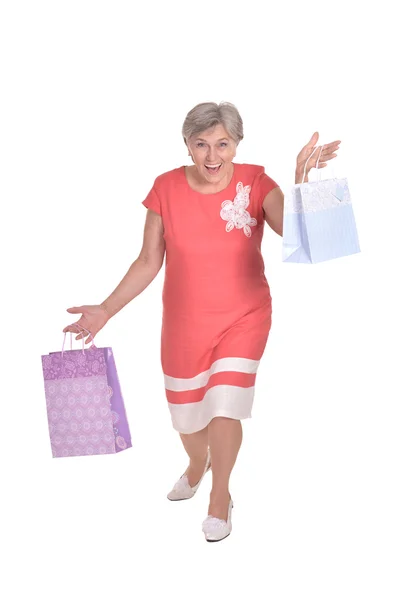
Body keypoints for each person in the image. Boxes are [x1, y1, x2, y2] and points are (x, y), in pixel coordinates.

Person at [63, 102, 340, 542]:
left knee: (226, 405)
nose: (213, 156)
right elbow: (148, 260)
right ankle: (197, 463)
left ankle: (220, 495)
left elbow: (301, 234)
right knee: (188, 420)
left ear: (236, 145)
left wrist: (301, 177)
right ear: (188, 146)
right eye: (202, 145)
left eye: (223, 144)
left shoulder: (256, 182)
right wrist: (106, 308)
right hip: (184, 324)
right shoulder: (165, 188)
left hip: (245, 316)